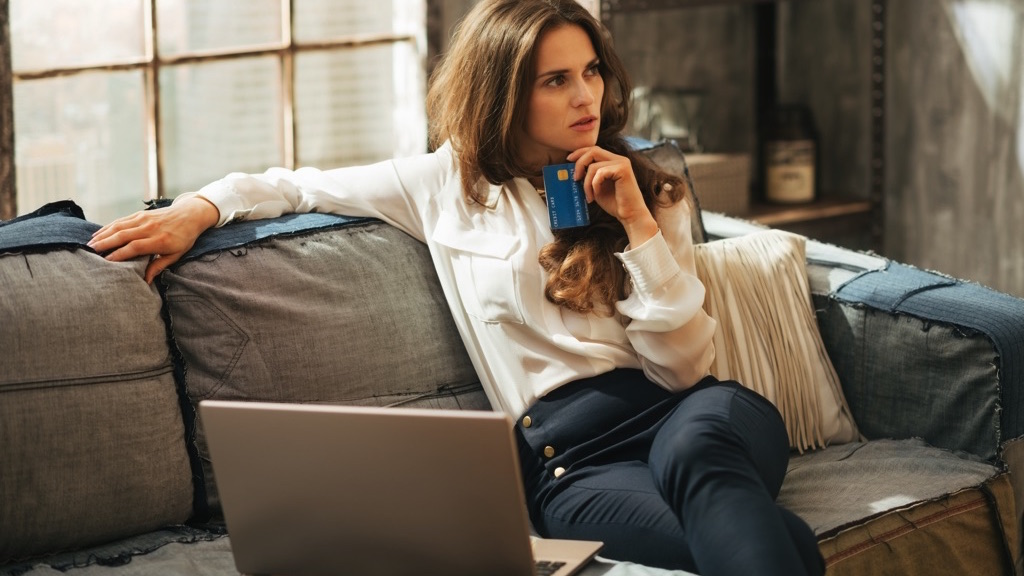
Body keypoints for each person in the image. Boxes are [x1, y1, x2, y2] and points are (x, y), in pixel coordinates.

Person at [89, 1, 824, 574]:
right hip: (572, 466)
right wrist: (196, 209)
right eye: (556, 79)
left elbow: (685, 368)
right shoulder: (446, 184)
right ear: (505, 90)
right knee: (776, 543)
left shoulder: (649, 188)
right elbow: (288, 183)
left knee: (703, 464)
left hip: (696, 415)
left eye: (592, 71)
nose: (585, 96)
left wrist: (635, 221)